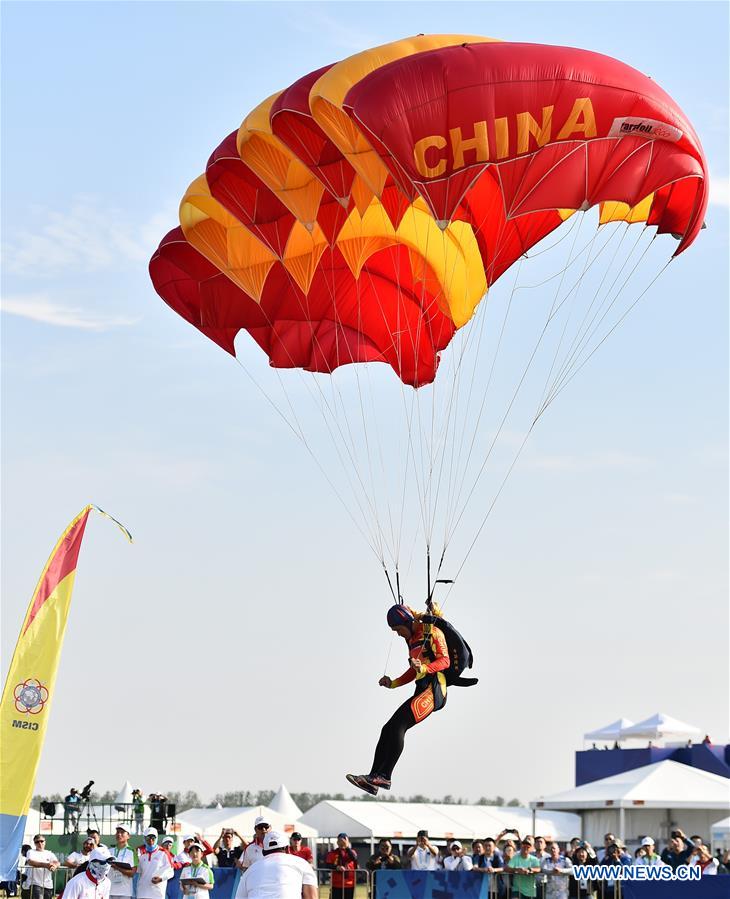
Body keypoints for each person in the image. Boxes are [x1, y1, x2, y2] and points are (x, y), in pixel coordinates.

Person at [347, 604, 452, 794]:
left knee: (398, 726)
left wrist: (424, 669)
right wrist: (393, 683)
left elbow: (445, 660)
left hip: (434, 689)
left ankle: (385, 777)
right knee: (387, 729)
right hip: (421, 688)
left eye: (397, 630)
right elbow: (414, 670)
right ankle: (373, 778)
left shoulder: (433, 632)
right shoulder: (412, 640)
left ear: (407, 622)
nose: (397, 634)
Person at [238, 830, 316, 899]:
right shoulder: (302, 864)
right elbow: (311, 896)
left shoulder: (249, 871)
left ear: (263, 852)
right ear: (287, 849)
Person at [136, 827, 173, 899]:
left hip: (157, 894)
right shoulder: (140, 853)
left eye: (153, 838)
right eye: (148, 838)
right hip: (142, 893)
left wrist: (161, 879)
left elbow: (171, 872)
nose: (151, 840)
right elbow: (138, 872)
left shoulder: (164, 853)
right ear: (144, 839)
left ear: (157, 838)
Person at [324, 833, 358, 899]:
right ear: (337, 842)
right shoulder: (333, 852)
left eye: (344, 840)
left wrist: (347, 846)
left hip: (349, 884)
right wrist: (337, 867)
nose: (342, 842)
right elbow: (328, 864)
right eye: (340, 840)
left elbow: (354, 858)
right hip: (336, 884)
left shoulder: (352, 852)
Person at [107, 825, 136, 899]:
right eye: (117, 832)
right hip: (109, 890)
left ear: (128, 836)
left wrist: (117, 867)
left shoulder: (132, 852)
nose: (119, 834)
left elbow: (132, 873)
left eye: (122, 832)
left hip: (125, 892)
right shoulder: (109, 851)